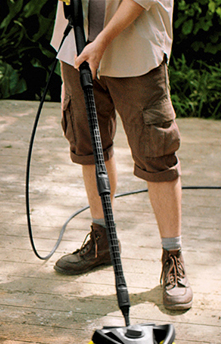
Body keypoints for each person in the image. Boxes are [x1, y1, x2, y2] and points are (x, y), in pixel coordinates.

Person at [50, 0, 193, 311]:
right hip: (75, 44)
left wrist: (102, 41)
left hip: (135, 51)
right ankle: (103, 242)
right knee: (89, 146)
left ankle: (173, 259)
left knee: (156, 152)